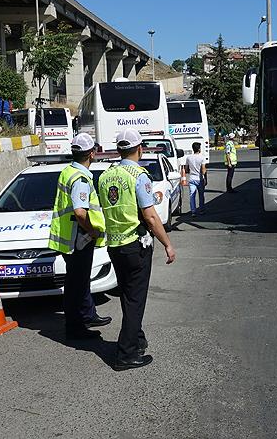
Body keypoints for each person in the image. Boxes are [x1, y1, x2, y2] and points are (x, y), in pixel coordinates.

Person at [98, 128, 176, 371]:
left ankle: (136, 339)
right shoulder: (139, 176)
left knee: (128, 297)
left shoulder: (105, 175)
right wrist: (167, 243)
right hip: (135, 244)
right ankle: (126, 354)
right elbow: (150, 217)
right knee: (135, 300)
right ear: (139, 149)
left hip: (115, 245)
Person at [48, 133, 111, 340]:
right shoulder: (80, 179)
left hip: (70, 238)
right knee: (76, 284)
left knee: (80, 282)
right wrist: (92, 231)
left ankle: (88, 314)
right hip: (79, 239)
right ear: (91, 154)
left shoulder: (68, 171)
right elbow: (80, 212)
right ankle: (76, 327)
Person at [184, 141, 207, 216]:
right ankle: (201, 210)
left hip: (191, 178)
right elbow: (203, 170)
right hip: (199, 179)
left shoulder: (188, 158)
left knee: (192, 195)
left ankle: (193, 211)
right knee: (201, 195)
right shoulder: (202, 157)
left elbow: (186, 169)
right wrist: (205, 178)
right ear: (199, 149)